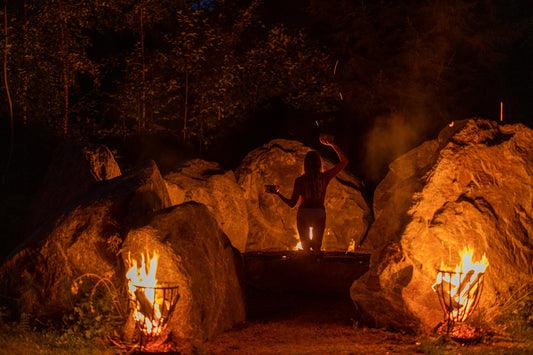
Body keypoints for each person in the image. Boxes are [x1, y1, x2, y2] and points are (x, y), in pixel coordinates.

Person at [266, 135, 348, 253]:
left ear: (305, 164)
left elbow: (292, 204)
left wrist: (277, 193)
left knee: (305, 249)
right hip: (319, 213)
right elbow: (344, 162)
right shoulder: (325, 177)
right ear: (320, 163)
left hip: (304, 213)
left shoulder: (300, 180)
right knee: (316, 249)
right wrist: (332, 145)